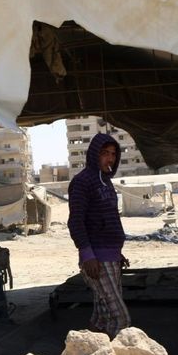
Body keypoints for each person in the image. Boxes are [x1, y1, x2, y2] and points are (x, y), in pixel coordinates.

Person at [67, 132, 131, 338]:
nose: (110, 158)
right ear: (94, 154)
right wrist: (87, 255)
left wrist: (117, 253)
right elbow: (76, 221)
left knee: (102, 317)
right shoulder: (82, 182)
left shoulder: (107, 182)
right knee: (121, 318)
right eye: (105, 153)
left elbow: (108, 218)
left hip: (111, 257)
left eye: (113, 154)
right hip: (96, 260)